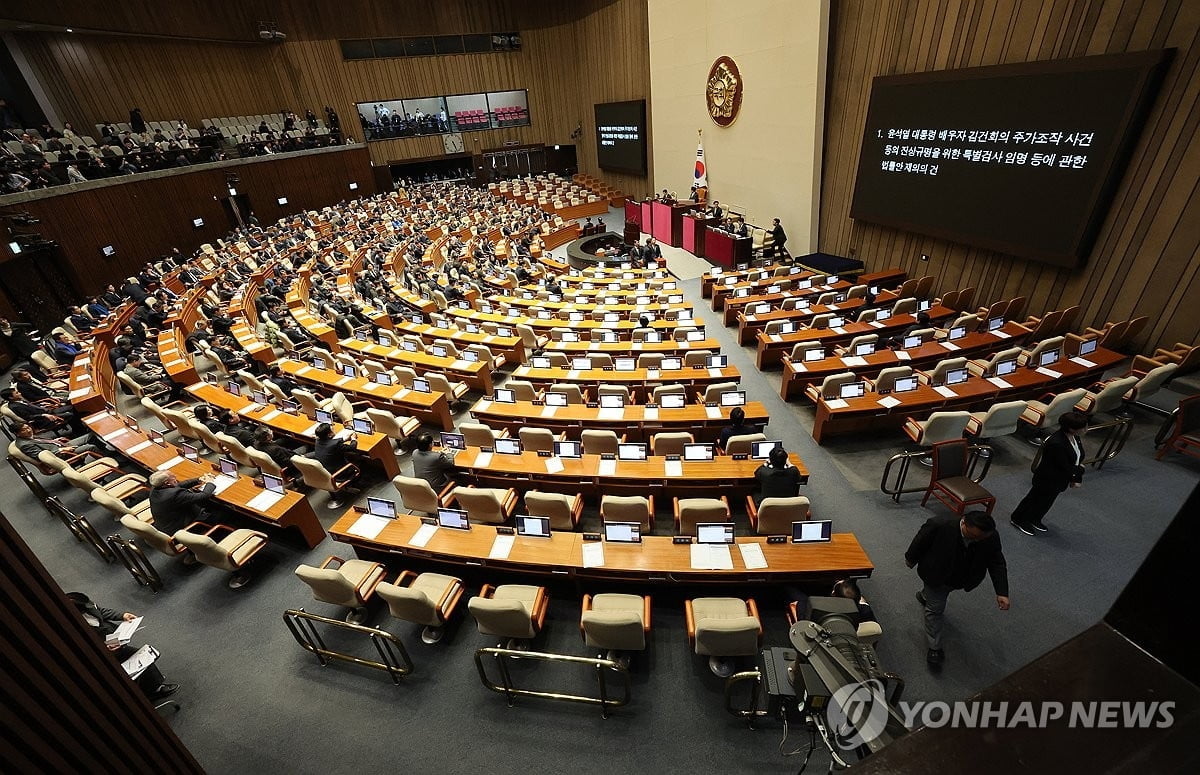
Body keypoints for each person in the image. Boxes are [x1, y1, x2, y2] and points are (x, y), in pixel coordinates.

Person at [905, 511, 1009, 667]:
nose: (976, 540)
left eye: (981, 538)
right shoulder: (940, 524)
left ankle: (925, 595)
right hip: (936, 574)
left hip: (961, 579)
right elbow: (920, 541)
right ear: (964, 522)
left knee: (937, 595)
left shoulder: (989, 536)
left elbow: (996, 562)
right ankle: (934, 647)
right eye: (972, 536)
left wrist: (1002, 592)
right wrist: (910, 558)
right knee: (935, 610)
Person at [67, 592, 178, 700]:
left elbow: (99, 611)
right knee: (140, 657)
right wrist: (104, 649)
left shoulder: (83, 603)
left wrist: (122, 616)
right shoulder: (71, 627)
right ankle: (154, 690)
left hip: (113, 639)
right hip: (101, 656)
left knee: (141, 656)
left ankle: (151, 683)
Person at [1009, 411, 1088, 536]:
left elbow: (1078, 457)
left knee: (1047, 501)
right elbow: (1065, 466)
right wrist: (1080, 471)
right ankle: (1019, 519)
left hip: (1059, 479)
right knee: (1035, 499)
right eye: (1083, 427)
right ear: (1072, 428)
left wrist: (1077, 475)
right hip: (1047, 478)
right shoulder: (1057, 443)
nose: (1085, 429)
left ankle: (1034, 518)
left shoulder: (1074, 437)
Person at [148, 470, 217, 533]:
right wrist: (210, 482)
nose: (175, 476)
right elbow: (203, 496)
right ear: (167, 483)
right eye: (173, 477)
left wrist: (199, 480)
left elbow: (178, 485)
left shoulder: (156, 487)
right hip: (180, 528)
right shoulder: (174, 494)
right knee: (221, 512)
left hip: (165, 524)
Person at [14, 422, 97, 459]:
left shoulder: (27, 436)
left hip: (60, 445)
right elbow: (41, 456)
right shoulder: (24, 445)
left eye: (28, 427)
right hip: (61, 454)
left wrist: (54, 440)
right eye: (23, 430)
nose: (28, 430)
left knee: (90, 435)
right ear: (17, 434)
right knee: (90, 447)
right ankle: (106, 458)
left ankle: (104, 450)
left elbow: (42, 442)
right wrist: (61, 450)